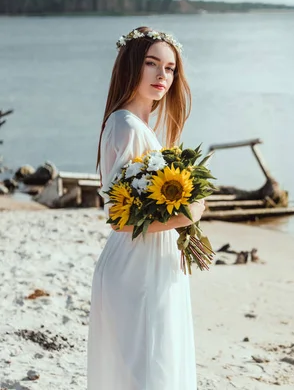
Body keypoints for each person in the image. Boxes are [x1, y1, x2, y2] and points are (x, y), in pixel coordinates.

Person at [87, 26, 205, 390]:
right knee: (149, 373)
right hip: (137, 269)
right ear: (131, 66)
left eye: (169, 68)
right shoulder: (125, 126)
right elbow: (118, 218)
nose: (162, 76)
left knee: (154, 367)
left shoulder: (137, 125)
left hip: (150, 264)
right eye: (152, 64)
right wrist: (188, 215)